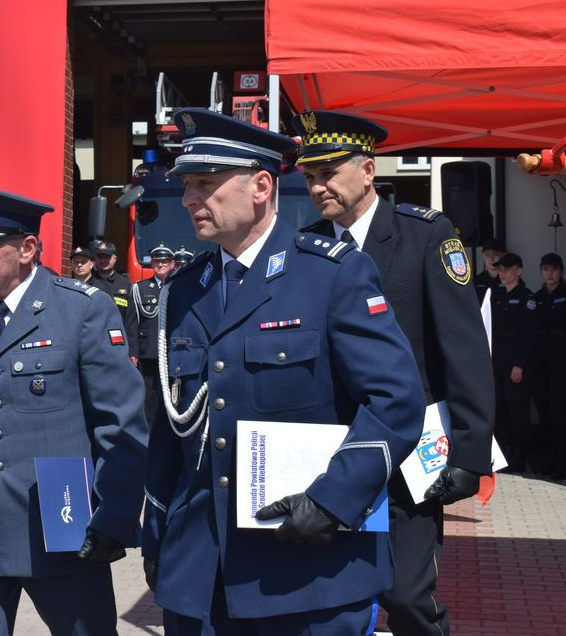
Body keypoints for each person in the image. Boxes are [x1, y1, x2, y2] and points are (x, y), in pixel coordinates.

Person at [142, 109, 425, 634]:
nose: (188, 200)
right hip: (200, 575)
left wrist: (333, 500)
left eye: (204, 183)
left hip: (305, 569)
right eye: (186, 185)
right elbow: (169, 428)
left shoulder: (331, 274)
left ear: (262, 186)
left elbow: (396, 401)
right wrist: (157, 534)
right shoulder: (183, 289)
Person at [294, 109, 496, 635]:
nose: (318, 187)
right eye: (310, 176)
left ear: (367, 170)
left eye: (329, 172)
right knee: (336, 597)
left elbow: (464, 349)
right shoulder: (308, 247)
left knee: (407, 597)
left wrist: (471, 455)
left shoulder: (426, 235)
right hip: (336, 450)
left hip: (410, 451)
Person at [0, 182, 147, 635]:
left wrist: (115, 518)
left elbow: (121, 424)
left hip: (62, 524)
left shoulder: (80, 310)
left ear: (27, 248)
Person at [491, 252, 537, 472]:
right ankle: (503, 453)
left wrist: (519, 364)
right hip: (497, 362)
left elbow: (527, 335)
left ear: (518, 271)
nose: (503, 273)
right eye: (500, 269)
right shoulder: (496, 296)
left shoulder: (527, 298)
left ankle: (519, 456)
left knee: (517, 410)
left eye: (507, 269)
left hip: (514, 365)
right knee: (499, 409)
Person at [529, 252, 566, 477]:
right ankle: (547, 457)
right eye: (546, 269)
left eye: (554, 269)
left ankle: (561, 461)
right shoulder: (538, 296)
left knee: (559, 410)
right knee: (543, 410)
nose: (550, 273)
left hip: (561, 358)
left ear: (561, 271)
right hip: (541, 361)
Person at [131, 242, 174, 425]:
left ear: (172, 264)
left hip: (171, 351)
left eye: (165, 261)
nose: (160, 264)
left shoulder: (178, 286)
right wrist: (132, 352)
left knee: (171, 396)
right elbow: (131, 322)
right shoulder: (140, 288)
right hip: (147, 351)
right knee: (148, 397)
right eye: (157, 261)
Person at [89, 240, 139, 360]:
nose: (103, 260)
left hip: (118, 344)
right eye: (100, 257)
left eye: (107, 257)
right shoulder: (88, 282)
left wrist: (133, 352)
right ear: (94, 258)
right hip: (93, 344)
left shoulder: (125, 284)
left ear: (114, 258)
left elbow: (131, 321)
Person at [475, 238, 506, 303]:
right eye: (487, 255)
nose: (491, 259)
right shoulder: (477, 281)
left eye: (495, 255)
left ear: (503, 255)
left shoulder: (510, 279)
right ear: (483, 256)